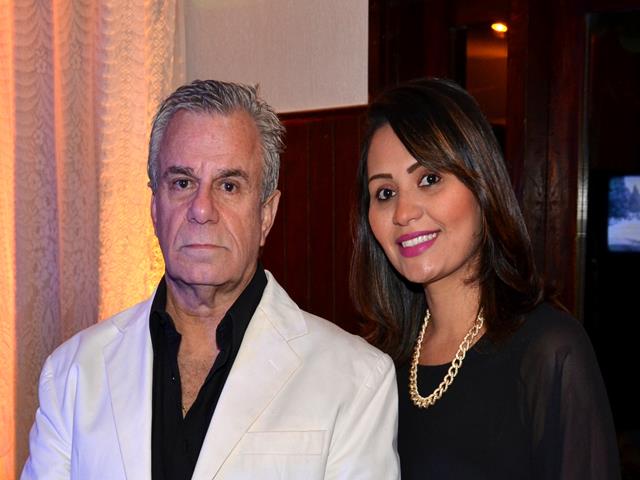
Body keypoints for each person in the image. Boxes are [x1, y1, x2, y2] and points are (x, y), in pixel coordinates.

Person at [22, 79, 399, 480]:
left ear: (266, 214)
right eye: (182, 183)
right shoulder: (72, 373)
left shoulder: (355, 379)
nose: (202, 210)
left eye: (229, 185)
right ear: (155, 208)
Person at [350, 78, 621, 479]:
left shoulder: (549, 352)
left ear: (482, 186)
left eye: (429, 179)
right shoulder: (376, 363)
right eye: (385, 193)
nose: (404, 212)